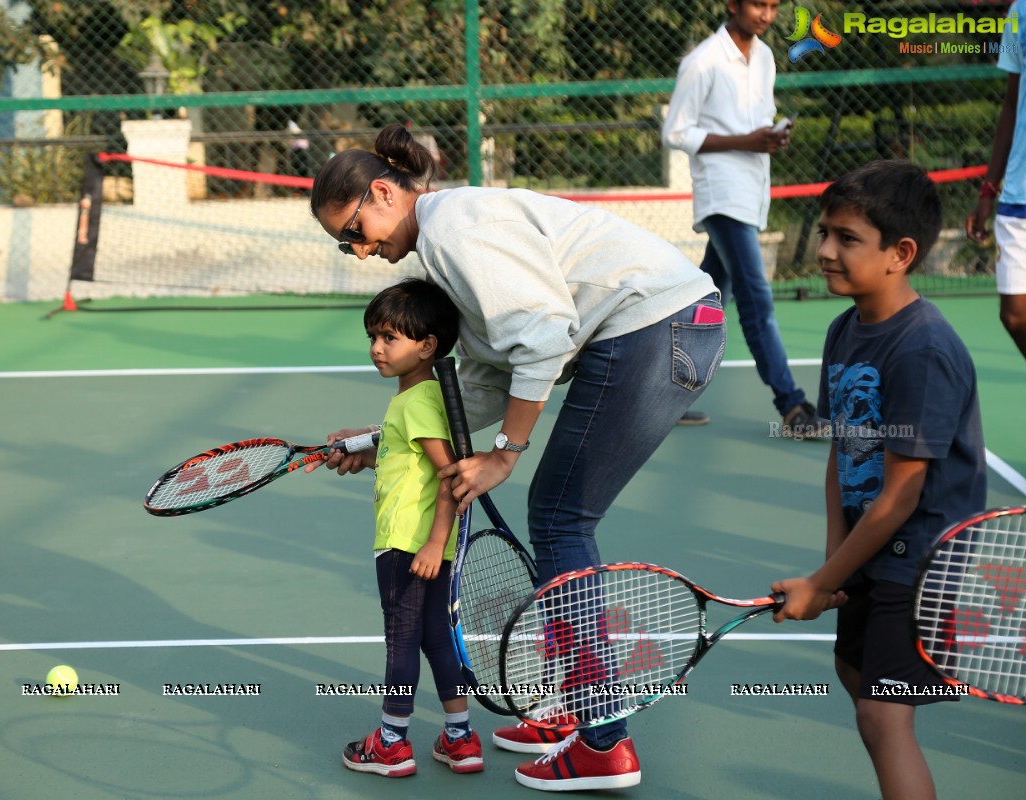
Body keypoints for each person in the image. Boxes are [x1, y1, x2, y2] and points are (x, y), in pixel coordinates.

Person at [310, 123, 725, 791]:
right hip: (673, 327)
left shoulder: (455, 231)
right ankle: (576, 711)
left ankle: (603, 742)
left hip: (654, 329)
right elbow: (488, 377)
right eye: (344, 243)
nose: (358, 251)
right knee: (561, 516)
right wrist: (375, 441)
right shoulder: (448, 238)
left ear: (383, 193)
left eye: (354, 231)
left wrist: (506, 452)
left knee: (561, 518)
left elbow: (543, 336)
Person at [772, 160, 987, 800]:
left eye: (847, 238)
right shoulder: (845, 331)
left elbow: (901, 493)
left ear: (901, 254)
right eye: (825, 233)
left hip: (921, 553)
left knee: (883, 714)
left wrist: (823, 581)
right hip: (873, 543)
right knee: (852, 671)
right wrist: (834, 564)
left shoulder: (921, 349)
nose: (826, 251)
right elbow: (845, 454)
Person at [327, 278, 484, 779]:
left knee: (402, 639)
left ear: (427, 346)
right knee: (436, 638)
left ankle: (391, 742)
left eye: (389, 337)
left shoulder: (413, 403)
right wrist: (372, 455)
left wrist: (434, 542)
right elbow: (411, 461)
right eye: (373, 336)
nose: (376, 348)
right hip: (428, 542)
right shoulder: (427, 397)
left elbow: (449, 476)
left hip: (406, 544)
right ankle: (460, 739)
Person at [663, 0, 822, 435]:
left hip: (751, 192)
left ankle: (659, 393)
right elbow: (675, 131)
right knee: (757, 300)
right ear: (732, 5)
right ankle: (792, 405)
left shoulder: (767, 58)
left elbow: (756, 128)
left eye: (773, 6)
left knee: (708, 299)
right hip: (722, 194)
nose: (766, 15)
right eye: (758, 4)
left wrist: (771, 136)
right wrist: (747, 141)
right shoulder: (703, 61)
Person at [965, 0, 1026, 359]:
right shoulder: (1019, 10)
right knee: (1015, 315)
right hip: (1018, 192)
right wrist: (989, 187)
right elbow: (1010, 103)